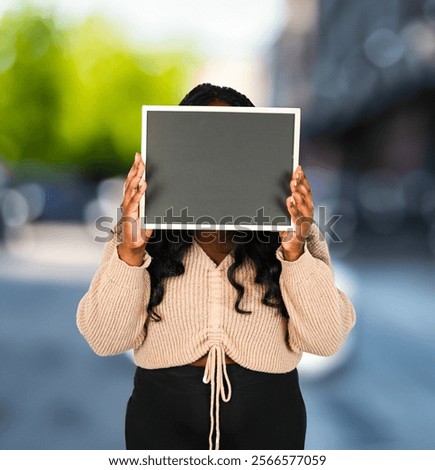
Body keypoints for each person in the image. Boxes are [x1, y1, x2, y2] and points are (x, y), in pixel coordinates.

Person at [76, 83, 356, 451]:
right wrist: (129, 254)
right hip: (161, 412)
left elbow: (325, 339)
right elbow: (105, 338)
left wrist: (295, 253)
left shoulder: (292, 230)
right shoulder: (143, 229)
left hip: (270, 414)